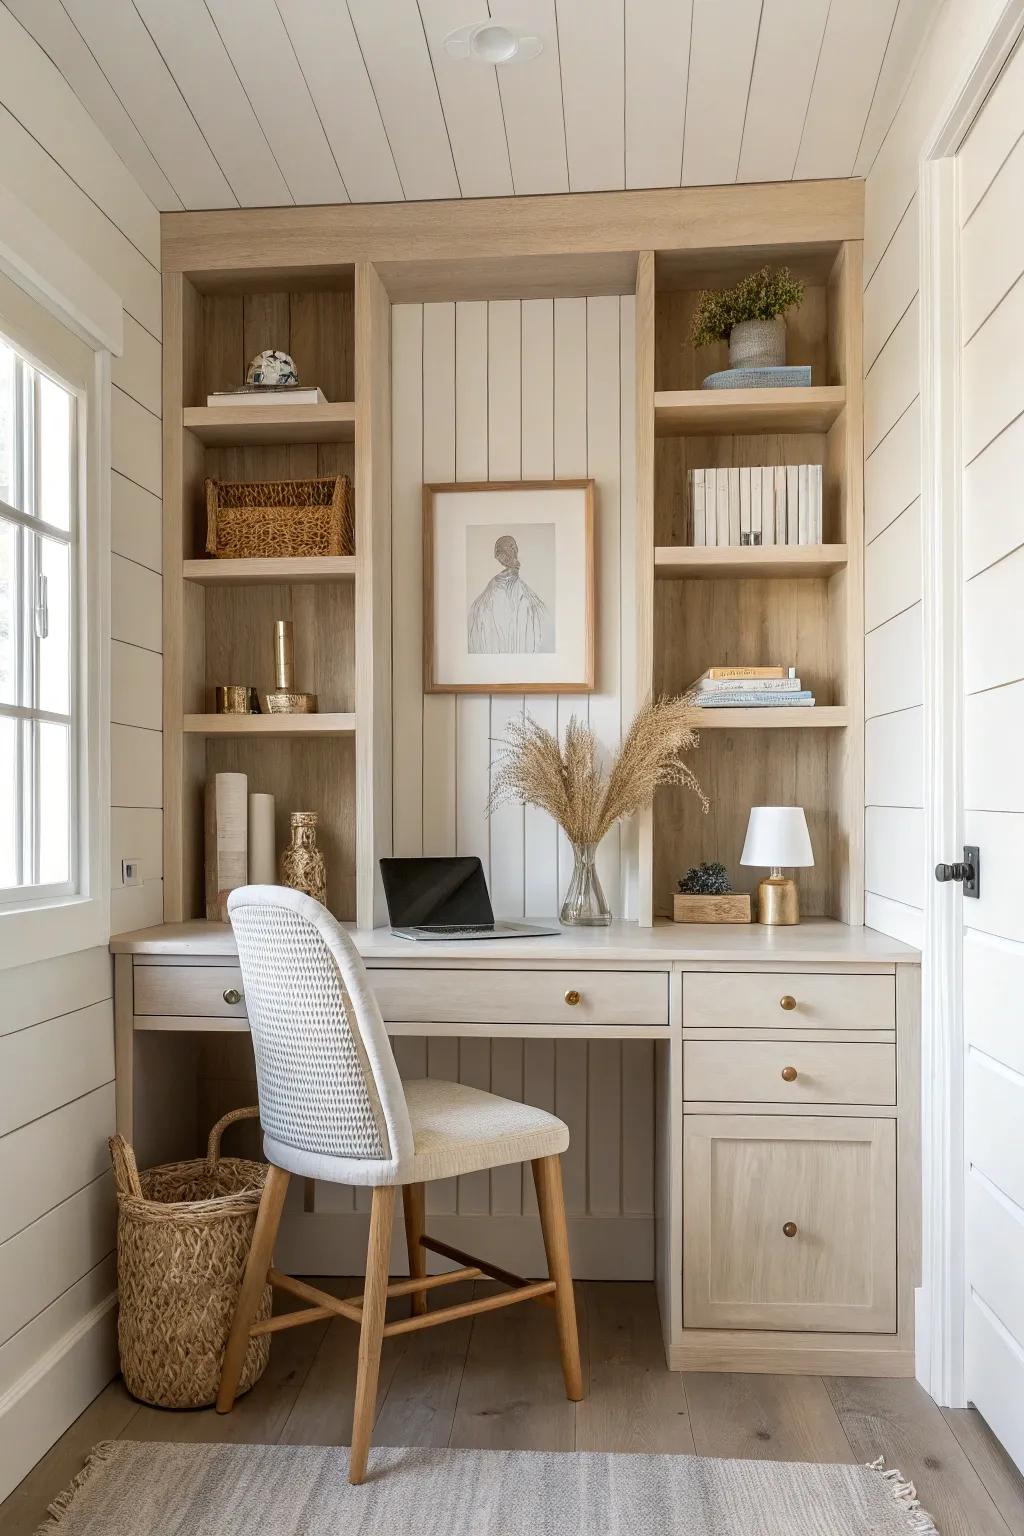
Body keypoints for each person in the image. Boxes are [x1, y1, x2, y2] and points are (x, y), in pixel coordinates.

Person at [468, 533, 554, 654]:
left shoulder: (528, 597)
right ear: (501, 555)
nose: (514, 550)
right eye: (511, 547)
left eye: (514, 546)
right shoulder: (490, 596)